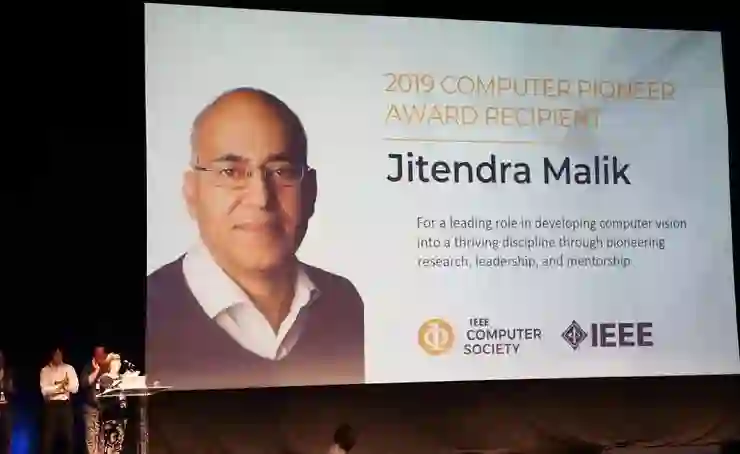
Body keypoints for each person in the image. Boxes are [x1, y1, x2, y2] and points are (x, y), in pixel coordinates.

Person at [147, 87, 365, 390]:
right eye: (231, 172)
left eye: (281, 171)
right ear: (191, 192)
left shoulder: (345, 304)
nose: (261, 198)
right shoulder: (149, 315)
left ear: (311, 191)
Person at [80, 346, 128, 454]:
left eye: (103, 354)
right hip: (91, 407)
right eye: (98, 354)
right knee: (91, 437)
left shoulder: (110, 367)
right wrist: (96, 371)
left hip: (106, 409)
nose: (101, 356)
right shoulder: (89, 366)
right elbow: (84, 383)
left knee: (105, 437)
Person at [39, 348, 78, 454]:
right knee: (48, 439)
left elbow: (75, 388)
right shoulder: (45, 370)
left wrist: (57, 388)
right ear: (52, 355)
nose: (58, 357)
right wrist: (61, 387)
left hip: (65, 405)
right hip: (51, 406)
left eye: (60, 354)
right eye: (56, 355)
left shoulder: (69, 368)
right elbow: (44, 391)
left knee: (68, 437)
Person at [0, 351, 14, 454]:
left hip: (5, 410)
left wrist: (8, 387)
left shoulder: (8, 373)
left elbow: (12, 390)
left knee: (6, 439)